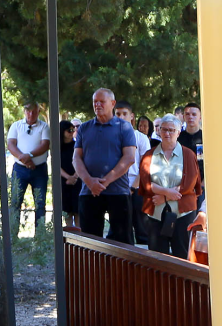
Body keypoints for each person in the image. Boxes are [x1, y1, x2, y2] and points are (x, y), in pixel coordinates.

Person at [74, 88, 137, 243]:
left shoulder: (124, 127)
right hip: (89, 192)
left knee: (123, 243)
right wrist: (90, 182)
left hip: (118, 191)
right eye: (95, 101)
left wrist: (105, 181)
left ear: (113, 103)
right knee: (90, 243)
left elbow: (129, 158)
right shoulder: (84, 128)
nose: (98, 105)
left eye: (102, 101)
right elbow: (76, 158)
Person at [138, 116, 202, 258]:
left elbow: (189, 183)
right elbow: (145, 182)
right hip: (155, 212)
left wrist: (165, 198)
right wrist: (166, 192)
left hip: (183, 213)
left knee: (182, 256)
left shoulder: (188, 154)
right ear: (159, 131)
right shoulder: (149, 155)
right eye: (164, 129)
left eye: (171, 130)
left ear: (178, 133)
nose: (167, 133)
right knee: (157, 257)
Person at [6, 102, 51, 234]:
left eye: (34, 111)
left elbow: (45, 145)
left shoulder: (44, 127)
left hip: (39, 170)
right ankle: (13, 235)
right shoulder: (16, 125)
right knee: (15, 202)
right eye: (28, 111)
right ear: (24, 111)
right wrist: (24, 159)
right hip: (20, 169)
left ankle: (40, 237)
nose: (31, 114)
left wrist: (29, 156)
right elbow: (11, 144)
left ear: (38, 112)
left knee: (40, 203)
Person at [114, 100, 152, 245]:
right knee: (121, 228)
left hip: (137, 186)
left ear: (132, 116)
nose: (121, 117)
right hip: (117, 186)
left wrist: (133, 187)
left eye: (125, 114)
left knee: (141, 227)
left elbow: (146, 165)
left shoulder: (141, 138)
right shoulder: (111, 136)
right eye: (118, 114)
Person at [59, 120, 81, 229]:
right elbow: (55, 164)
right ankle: (69, 235)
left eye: (73, 129)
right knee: (66, 211)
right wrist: (68, 177)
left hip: (77, 181)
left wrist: (75, 176)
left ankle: (80, 235)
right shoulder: (57, 147)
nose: (72, 132)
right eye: (69, 130)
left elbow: (82, 161)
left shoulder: (77, 145)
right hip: (63, 182)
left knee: (78, 211)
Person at [178, 102, 204, 191]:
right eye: (187, 114)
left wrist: (203, 184)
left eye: (194, 114)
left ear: (200, 117)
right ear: (183, 117)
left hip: (202, 185)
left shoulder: (205, 138)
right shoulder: (178, 138)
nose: (190, 117)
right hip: (182, 185)